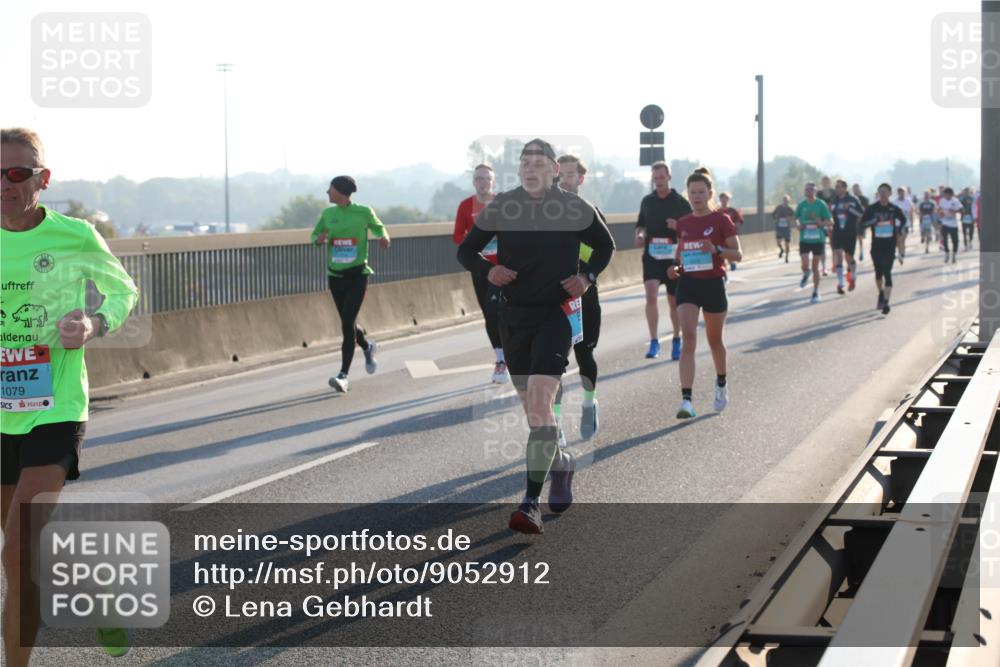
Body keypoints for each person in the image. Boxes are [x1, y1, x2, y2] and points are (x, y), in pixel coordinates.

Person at [1, 128, 140, 665]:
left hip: (54, 407)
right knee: (27, 554)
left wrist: (95, 322)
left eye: (17, 173)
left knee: (15, 552)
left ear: (42, 179)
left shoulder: (75, 235)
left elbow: (124, 291)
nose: (5, 184)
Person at [457, 139, 614, 533]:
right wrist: (487, 271)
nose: (530, 168)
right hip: (514, 316)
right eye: (525, 162)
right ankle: (563, 463)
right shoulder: (504, 206)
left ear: (555, 171)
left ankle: (529, 503)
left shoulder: (574, 207)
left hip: (556, 315)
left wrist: (587, 277)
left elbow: (605, 245)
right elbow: (467, 250)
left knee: (542, 402)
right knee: (536, 414)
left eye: (539, 163)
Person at [667, 168, 742, 419]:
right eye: (692, 192)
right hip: (688, 285)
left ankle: (721, 382)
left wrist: (716, 248)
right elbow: (681, 255)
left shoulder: (721, 220)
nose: (697, 196)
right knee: (688, 339)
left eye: (701, 192)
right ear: (687, 194)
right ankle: (686, 400)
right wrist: (675, 268)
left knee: (714, 341)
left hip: (713, 284)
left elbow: (737, 254)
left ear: (710, 193)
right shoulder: (684, 223)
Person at [311, 176, 390, 392]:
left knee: (346, 325)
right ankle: (367, 346)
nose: (327, 192)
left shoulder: (364, 212)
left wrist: (383, 237)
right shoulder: (328, 214)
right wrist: (317, 240)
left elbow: (379, 227)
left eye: (331, 189)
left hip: (358, 275)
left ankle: (343, 375)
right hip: (335, 276)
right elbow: (316, 234)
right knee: (350, 323)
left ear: (341, 192)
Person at [552, 154, 604, 440]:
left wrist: (585, 273)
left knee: (585, 357)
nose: (565, 180)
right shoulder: (547, 213)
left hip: (585, 298)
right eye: (561, 175)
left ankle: (588, 403)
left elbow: (603, 252)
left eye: (571, 175)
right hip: (555, 301)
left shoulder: (590, 212)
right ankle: (556, 425)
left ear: (581, 179)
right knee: (554, 364)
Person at [452, 164, 509, 384]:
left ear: (493, 182)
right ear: (474, 182)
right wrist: (473, 245)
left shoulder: (502, 204)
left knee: (499, 310)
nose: (483, 182)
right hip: (480, 268)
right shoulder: (466, 206)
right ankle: (500, 357)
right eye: (479, 178)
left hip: (503, 268)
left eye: (487, 178)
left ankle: (509, 355)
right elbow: (458, 236)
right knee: (489, 313)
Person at [634, 161, 692, 361]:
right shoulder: (648, 201)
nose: (659, 181)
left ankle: (677, 338)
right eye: (655, 178)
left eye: (662, 177)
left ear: (669, 177)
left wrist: (677, 226)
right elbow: (640, 224)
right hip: (652, 255)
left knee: (673, 301)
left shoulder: (679, 202)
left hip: (673, 256)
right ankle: (654, 340)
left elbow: (691, 229)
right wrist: (640, 235)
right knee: (650, 296)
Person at [860, 183, 907, 314]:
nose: (883, 194)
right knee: (878, 274)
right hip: (876, 246)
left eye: (885, 192)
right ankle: (880, 292)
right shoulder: (872, 208)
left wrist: (899, 228)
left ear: (890, 194)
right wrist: (873, 221)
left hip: (889, 245)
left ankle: (886, 302)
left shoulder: (894, 209)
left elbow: (903, 220)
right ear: (878, 193)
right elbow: (863, 223)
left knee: (888, 273)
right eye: (881, 192)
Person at [795, 182, 834, 304]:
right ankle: (806, 273)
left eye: (812, 189)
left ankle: (815, 292)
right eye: (808, 189)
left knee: (815, 267)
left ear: (816, 191)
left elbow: (831, 221)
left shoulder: (821, 204)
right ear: (805, 191)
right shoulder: (801, 205)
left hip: (818, 239)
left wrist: (821, 223)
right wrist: (798, 225)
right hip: (805, 239)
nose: (810, 191)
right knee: (805, 263)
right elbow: (795, 218)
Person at [828, 179, 864, 294]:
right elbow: (829, 215)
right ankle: (840, 283)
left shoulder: (853, 200)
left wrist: (850, 208)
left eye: (838, 187)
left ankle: (852, 275)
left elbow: (861, 214)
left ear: (844, 188)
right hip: (837, 232)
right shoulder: (834, 201)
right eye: (836, 187)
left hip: (850, 231)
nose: (836, 189)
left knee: (849, 257)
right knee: (838, 254)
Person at [936, 187, 963, 264]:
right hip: (945, 223)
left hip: (954, 224)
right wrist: (939, 213)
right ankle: (947, 253)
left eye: (946, 194)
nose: (944, 196)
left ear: (950, 194)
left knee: (955, 241)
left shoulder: (956, 201)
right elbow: (938, 209)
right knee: (944, 239)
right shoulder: (942, 201)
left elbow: (962, 210)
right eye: (944, 194)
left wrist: (955, 211)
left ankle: (954, 254)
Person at [718, 192, 743, 271]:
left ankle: (731, 262)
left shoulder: (732, 210)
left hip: (730, 235)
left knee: (729, 249)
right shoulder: (717, 211)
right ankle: (723, 268)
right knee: (721, 251)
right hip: (720, 235)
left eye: (725, 199)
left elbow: (738, 221)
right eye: (722, 199)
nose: (723, 200)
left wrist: (735, 228)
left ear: (728, 199)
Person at [816, 176, 835, 276]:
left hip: (832, 221)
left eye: (827, 181)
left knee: (833, 245)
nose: (825, 183)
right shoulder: (818, 194)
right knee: (822, 245)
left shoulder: (834, 193)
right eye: (823, 182)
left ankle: (834, 264)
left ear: (830, 182)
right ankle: (823, 267)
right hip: (822, 222)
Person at [891, 187, 913, 264]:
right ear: (898, 193)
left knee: (903, 239)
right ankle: (900, 253)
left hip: (905, 223)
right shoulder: (894, 202)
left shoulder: (908, 201)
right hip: (897, 223)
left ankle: (902, 252)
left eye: (903, 192)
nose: (901, 193)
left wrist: (911, 222)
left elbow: (911, 211)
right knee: (898, 240)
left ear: (905, 193)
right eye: (900, 192)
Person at [772, 194, 794, 262]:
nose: (785, 201)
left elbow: (794, 216)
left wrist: (789, 218)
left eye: (787, 200)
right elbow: (773, 215)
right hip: (779, 227)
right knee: (778, 242)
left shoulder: (790, 209)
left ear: (788, 201)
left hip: (787, 228)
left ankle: (787, 257)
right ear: (782, 200)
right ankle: (781, 249)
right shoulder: (778, 207)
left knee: (787, 243)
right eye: (784, 200)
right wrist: (776, 219)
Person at [852, 183, 870, 261]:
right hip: (852, 222)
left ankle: (861, 250)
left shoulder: (864, 199)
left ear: (859, 189)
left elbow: (867, 210)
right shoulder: (851, 199)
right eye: (854, 189)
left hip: (861, 221)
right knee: (852, 238)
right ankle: (852, 254)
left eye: (857, 189)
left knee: (860, 237)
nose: (855, 190)